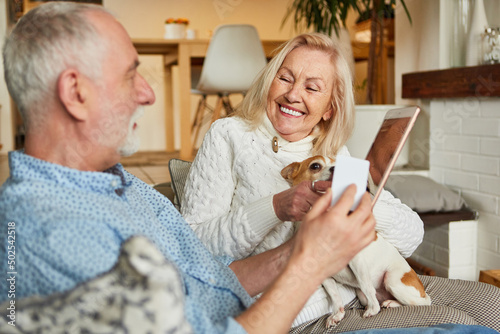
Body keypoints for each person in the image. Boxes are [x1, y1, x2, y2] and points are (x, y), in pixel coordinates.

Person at [0, 3, 378, 333]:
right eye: (132, 75)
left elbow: (206, 273)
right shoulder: (57, 233)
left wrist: (303, 248)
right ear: (76, 94)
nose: (148, 94)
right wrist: (311, 263)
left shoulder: (115, 181)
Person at [180, 33, 500, 332]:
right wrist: (276, 207)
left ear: (329, 108)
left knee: (493, 304)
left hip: (359, 282)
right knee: (455, 322)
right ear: (270, 80)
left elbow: (411, 235)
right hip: (305, 306)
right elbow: (192, 248)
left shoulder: (331, 155)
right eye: (285, 78)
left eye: (312, 87)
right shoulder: (228, 135)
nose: (293, 94)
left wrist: (360, 199)